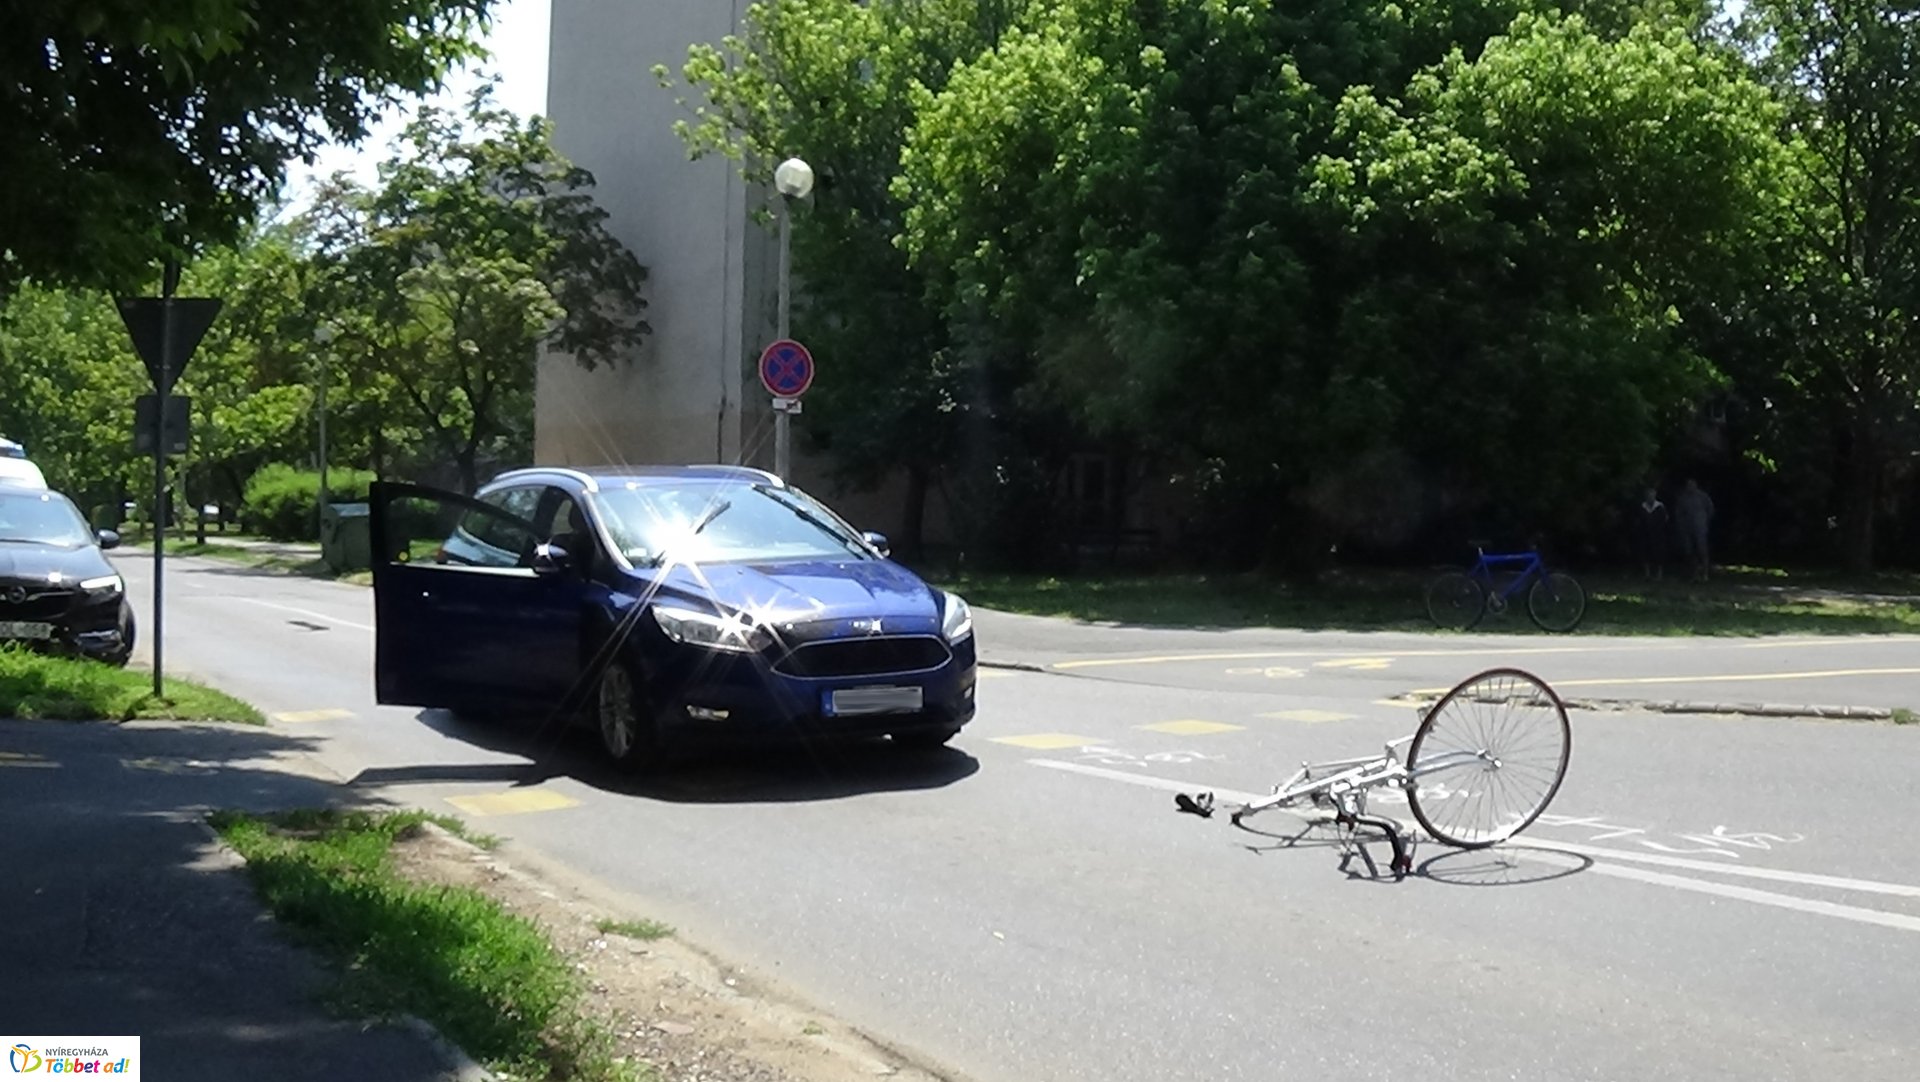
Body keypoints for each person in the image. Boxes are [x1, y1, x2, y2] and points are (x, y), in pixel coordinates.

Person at [1674, 478, 1715, 582]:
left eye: (1692, 485)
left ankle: (1705, 574)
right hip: (1687, 529)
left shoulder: (1703, 496)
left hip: (1700, 528)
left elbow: (1710, 509)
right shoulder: (1683, 498)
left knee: (1703, 551)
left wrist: (1704, 522)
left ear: (1696, 485)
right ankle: (1694, 574)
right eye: (1688, 485)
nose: (1690, 487)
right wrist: (1682, 526)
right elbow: (1678, 513)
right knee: (1690, 552)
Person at [1629, 487, 1669, 580]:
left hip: (1658, 534)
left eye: (1652, 495)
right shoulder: (1642, 507)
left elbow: (1665, 519)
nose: (1650, 497)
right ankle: (1647, 574)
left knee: (1659, 553)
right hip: (1644, 533)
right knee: (1645, 553)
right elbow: (1637, 520)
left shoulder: (1660, 507)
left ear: (1655, 495)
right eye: (1648, 495)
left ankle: (1659, 574)